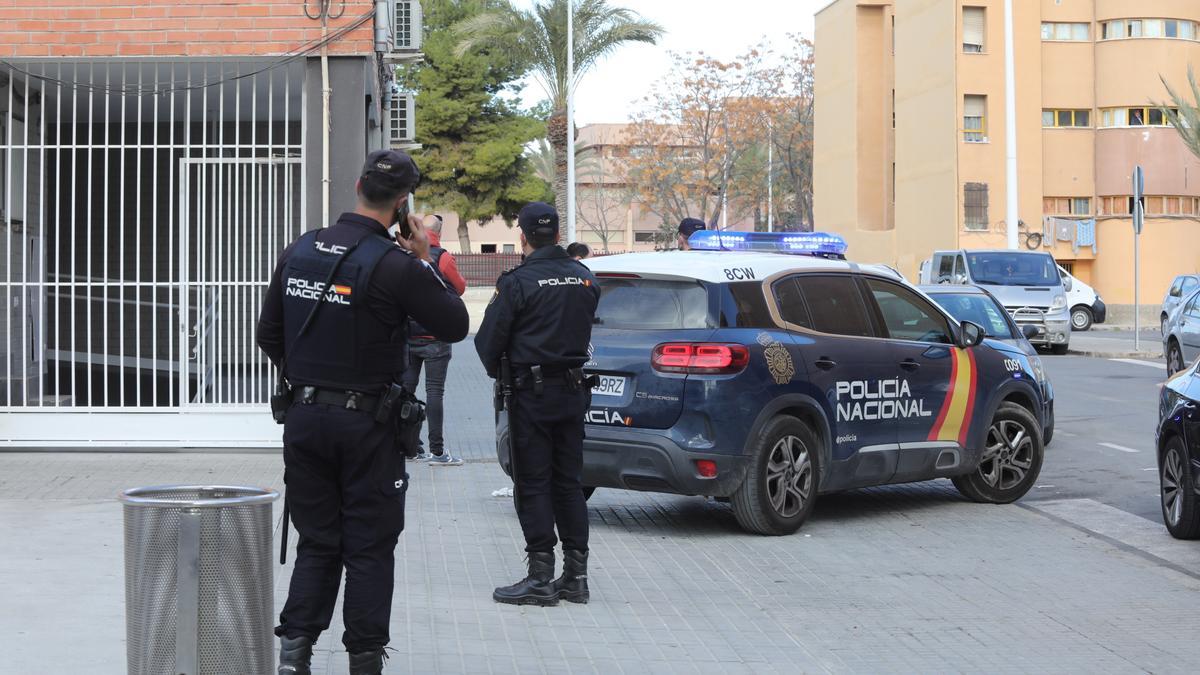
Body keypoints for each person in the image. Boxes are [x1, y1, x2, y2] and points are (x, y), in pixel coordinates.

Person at [256, 150, 469, 675]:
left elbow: (268, 335)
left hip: (305, 420)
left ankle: (294, 655)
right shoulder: (396, 265)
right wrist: (423, 257)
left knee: (318, 540)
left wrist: (310, 377)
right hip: (368, 424)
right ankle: (365, 661)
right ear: (402, 205)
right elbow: (455, 325)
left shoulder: (300, 249)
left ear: (356, 185)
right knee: (369, 546)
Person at [474, 202, 600, 607]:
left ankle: (541, 578)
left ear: (522, 237)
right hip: (573, 392)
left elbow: (486, 344)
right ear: (558, 235)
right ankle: (576, 578)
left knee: (533, 484)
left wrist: (505, 368)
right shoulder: (584, 279)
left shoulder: (517, 283)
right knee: (569, 484)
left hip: (532, 394)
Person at [404, 213, 468, 465]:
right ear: (439, 233)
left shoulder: (406, 256)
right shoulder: (442, 257)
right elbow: (460, 288)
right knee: (434, 392)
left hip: (409, 335)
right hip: (436, 337)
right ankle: (438, 451)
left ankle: (409, 447)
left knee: (407, 391)